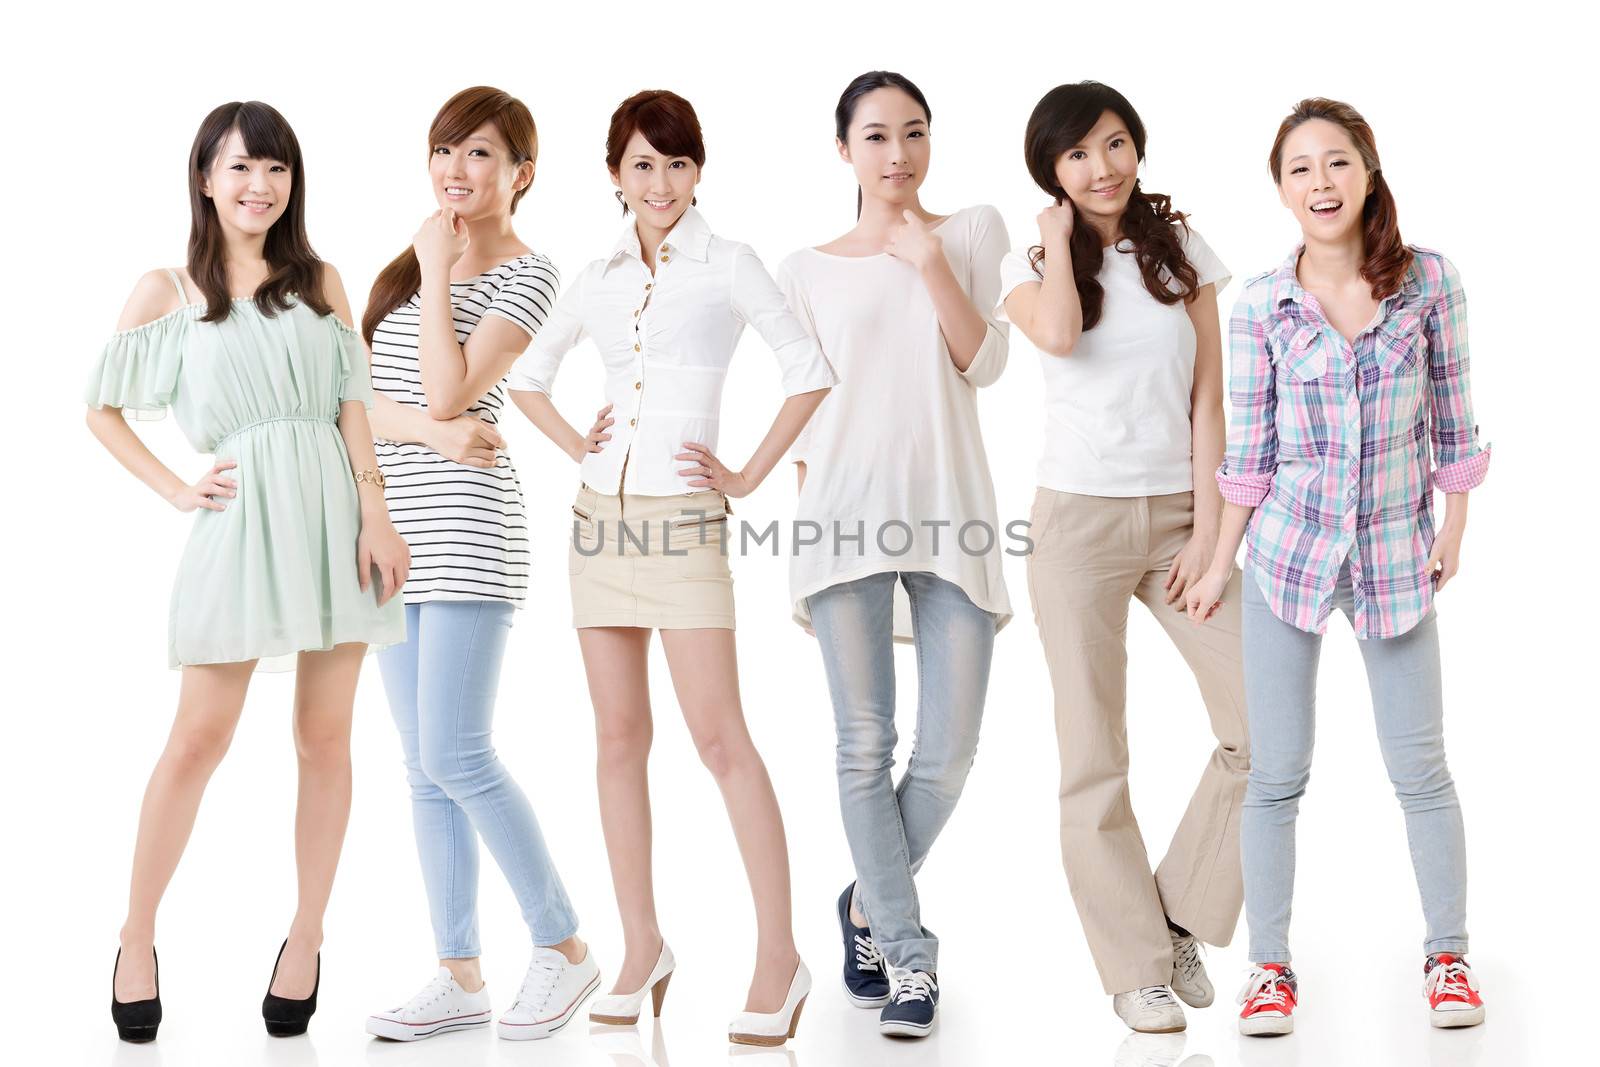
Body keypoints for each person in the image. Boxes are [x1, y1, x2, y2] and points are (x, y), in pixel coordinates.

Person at [507, 89, 834, 1047]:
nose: (661, 182)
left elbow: (806, 368)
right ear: (615, 173)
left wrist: (741, 474)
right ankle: (642, 943)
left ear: (699, 173)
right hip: (598, 523)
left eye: (677, 163)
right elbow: (528, 377)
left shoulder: (729, 264)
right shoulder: (598, 274)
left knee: (721, 738)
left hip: (687, 522)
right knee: (616, 740)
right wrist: (580, 443)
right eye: (643, 164)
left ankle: (780, 953)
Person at [88, 100, 407, 1042]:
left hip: (334, 524)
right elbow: (101, 409)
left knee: (325, 739)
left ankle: (306, 935)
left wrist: (376, 517)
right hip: (240, 525)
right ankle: (136, 935)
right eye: (239, 169)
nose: (259, 186)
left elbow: (354, 403)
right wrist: (177, 490)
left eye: (275, 169)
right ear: (204, 179)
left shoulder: (322, 280)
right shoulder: (168, 289)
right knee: (198, 739)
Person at [1187, 97, 1490, 1036]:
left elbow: (1454, 411)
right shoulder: (1261, 306)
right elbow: (1252, 458)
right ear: (1280, 190)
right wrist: (1215, 563)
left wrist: (1455, 527)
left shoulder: (1429, 282)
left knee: (1422, 771)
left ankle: (1449, 958)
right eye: (1300, 169)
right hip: (1288, 556)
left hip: (1399, 556)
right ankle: (1269, 971)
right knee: (1277, 775)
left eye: (1336, 163)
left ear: (1368, 171)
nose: (1321, 183)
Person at [1002, 81, 1248, 1035]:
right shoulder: (1027, 272)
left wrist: (1210, 537)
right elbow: (1060, 333)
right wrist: (1061, 242)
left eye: (1113, 144)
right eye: (1076, 155)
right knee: (1093, 754)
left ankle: (1175, 913)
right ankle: (1133, 966)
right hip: (1076, 527)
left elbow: (1209, 404)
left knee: (1263, 727)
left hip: (1183, 516)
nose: (1101, 167)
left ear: (1136, 147)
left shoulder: (1187, 255)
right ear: (1052, 175)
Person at [359, 86, 596, 1044]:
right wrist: (426, 428)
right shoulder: (406, 279)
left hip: (466, 537)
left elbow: (460, 384)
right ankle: (458, 972)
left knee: (458, 751)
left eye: (483, 155)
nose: (458, 170)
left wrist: (437, 269)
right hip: (390, 540)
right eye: (446, 151)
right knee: (423, 767)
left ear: (521, 174)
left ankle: (566, 948)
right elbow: (362, 410)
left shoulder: (529, 277)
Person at [780, 70, 1011, 1040]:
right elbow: (805, 409)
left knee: (948, 752)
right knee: (863, 746)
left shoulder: (971, 232)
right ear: (844, 149)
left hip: (951, 515)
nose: (898, 154)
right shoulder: (805, 267)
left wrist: (929, 263)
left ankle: (868, 901)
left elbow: (984, 361)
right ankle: (910, 958)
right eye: (875, 136)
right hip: (840, 521)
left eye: (913, 133)